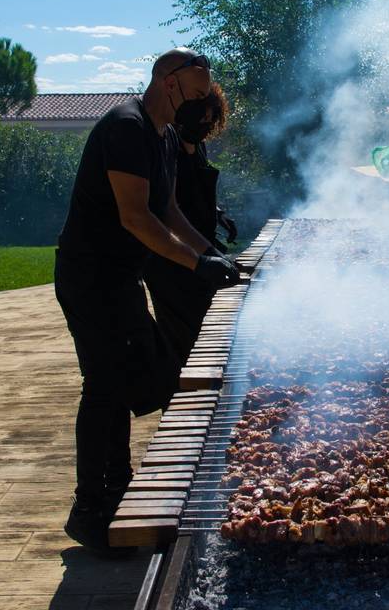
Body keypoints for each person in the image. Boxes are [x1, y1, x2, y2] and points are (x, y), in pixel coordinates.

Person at [54, 47, 239, 555]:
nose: (201, 104)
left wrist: (215, 255)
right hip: (90, 276)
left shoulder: (164, 136)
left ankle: (116, 492)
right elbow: (136, 217)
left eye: (206, 95)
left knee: (134, 378)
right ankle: (91, 508)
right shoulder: (127, 127)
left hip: (120, 278)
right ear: (167, 80)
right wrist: (195, 265)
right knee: (105, 385)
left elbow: (171, 210)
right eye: (197, 93)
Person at [144, 82, 241, 369]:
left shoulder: (198, 147)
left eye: (211, 118)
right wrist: (205, 257)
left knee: (207, 330)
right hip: (172, 258)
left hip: (202, 248)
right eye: (202, 116)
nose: (205, 123)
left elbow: (195, 191)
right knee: (182, 343)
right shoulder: (168, 146)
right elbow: (167, 208)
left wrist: (218, 213)